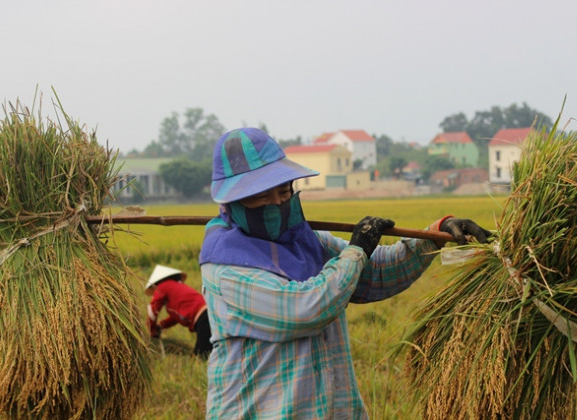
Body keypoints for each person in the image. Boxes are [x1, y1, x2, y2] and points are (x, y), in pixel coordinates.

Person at [198, 128, 491, 419]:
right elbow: (305, 309)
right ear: (230, 203)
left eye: (283, 191)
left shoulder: (305, 239)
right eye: (260, 197)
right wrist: (357, 249)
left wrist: (434, 234)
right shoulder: (225, 267)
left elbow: (373, 272)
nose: (276, 203)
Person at [145, 264, 213, 358]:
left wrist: (152, 329)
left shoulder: (162, 286)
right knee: (198, 355)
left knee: (203, 357)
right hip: (208, 317)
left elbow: (152, 310)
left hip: (204, 319)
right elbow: (175, 318)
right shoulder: (176, 291)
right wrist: (161, 325)